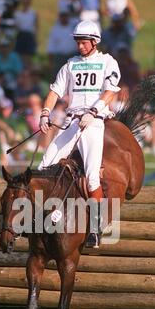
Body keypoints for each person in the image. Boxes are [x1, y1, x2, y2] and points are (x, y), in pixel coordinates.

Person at [38, 20, 121, 248]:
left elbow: (111, 91)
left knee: (93, 176)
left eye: (84, 42)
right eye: (78, 42)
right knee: (44, 165)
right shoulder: (70, 65)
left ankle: (95, 227)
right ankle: (40, 218)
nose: (80, 46)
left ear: (95, 41)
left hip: (93, 122)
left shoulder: (107, 62)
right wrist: (45, 112)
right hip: (72, 120)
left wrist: (94, 111)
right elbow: (55, 91)